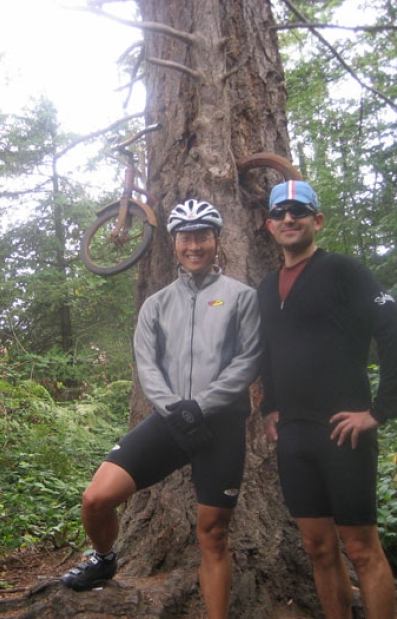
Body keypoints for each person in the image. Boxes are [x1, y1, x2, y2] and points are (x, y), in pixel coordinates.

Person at [61, 199, 262, 618]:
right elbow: (146, 364)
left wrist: (201, 406)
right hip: (170, 421)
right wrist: (175, 409)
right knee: (96, 498)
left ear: (215, 240)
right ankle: (104, 559)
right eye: (186, 237)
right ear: (174, 243)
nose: (194, 245)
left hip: (220, 426)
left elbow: (248, 361)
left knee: (214, 535)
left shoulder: (242, 298)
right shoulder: (156, 303)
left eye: (202, 236)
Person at [257, 180, 397, 619]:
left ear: (317, 220)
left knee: (362, 549)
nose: (289, 218)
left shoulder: (345, 271)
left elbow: (396, 331)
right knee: (317, 548)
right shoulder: (267, 287)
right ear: (269, 225)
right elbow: (268, 347)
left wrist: (381, 410)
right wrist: (270, 404)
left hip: (344, 432)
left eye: (299, 211)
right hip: (294, 436)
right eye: (280, 212)